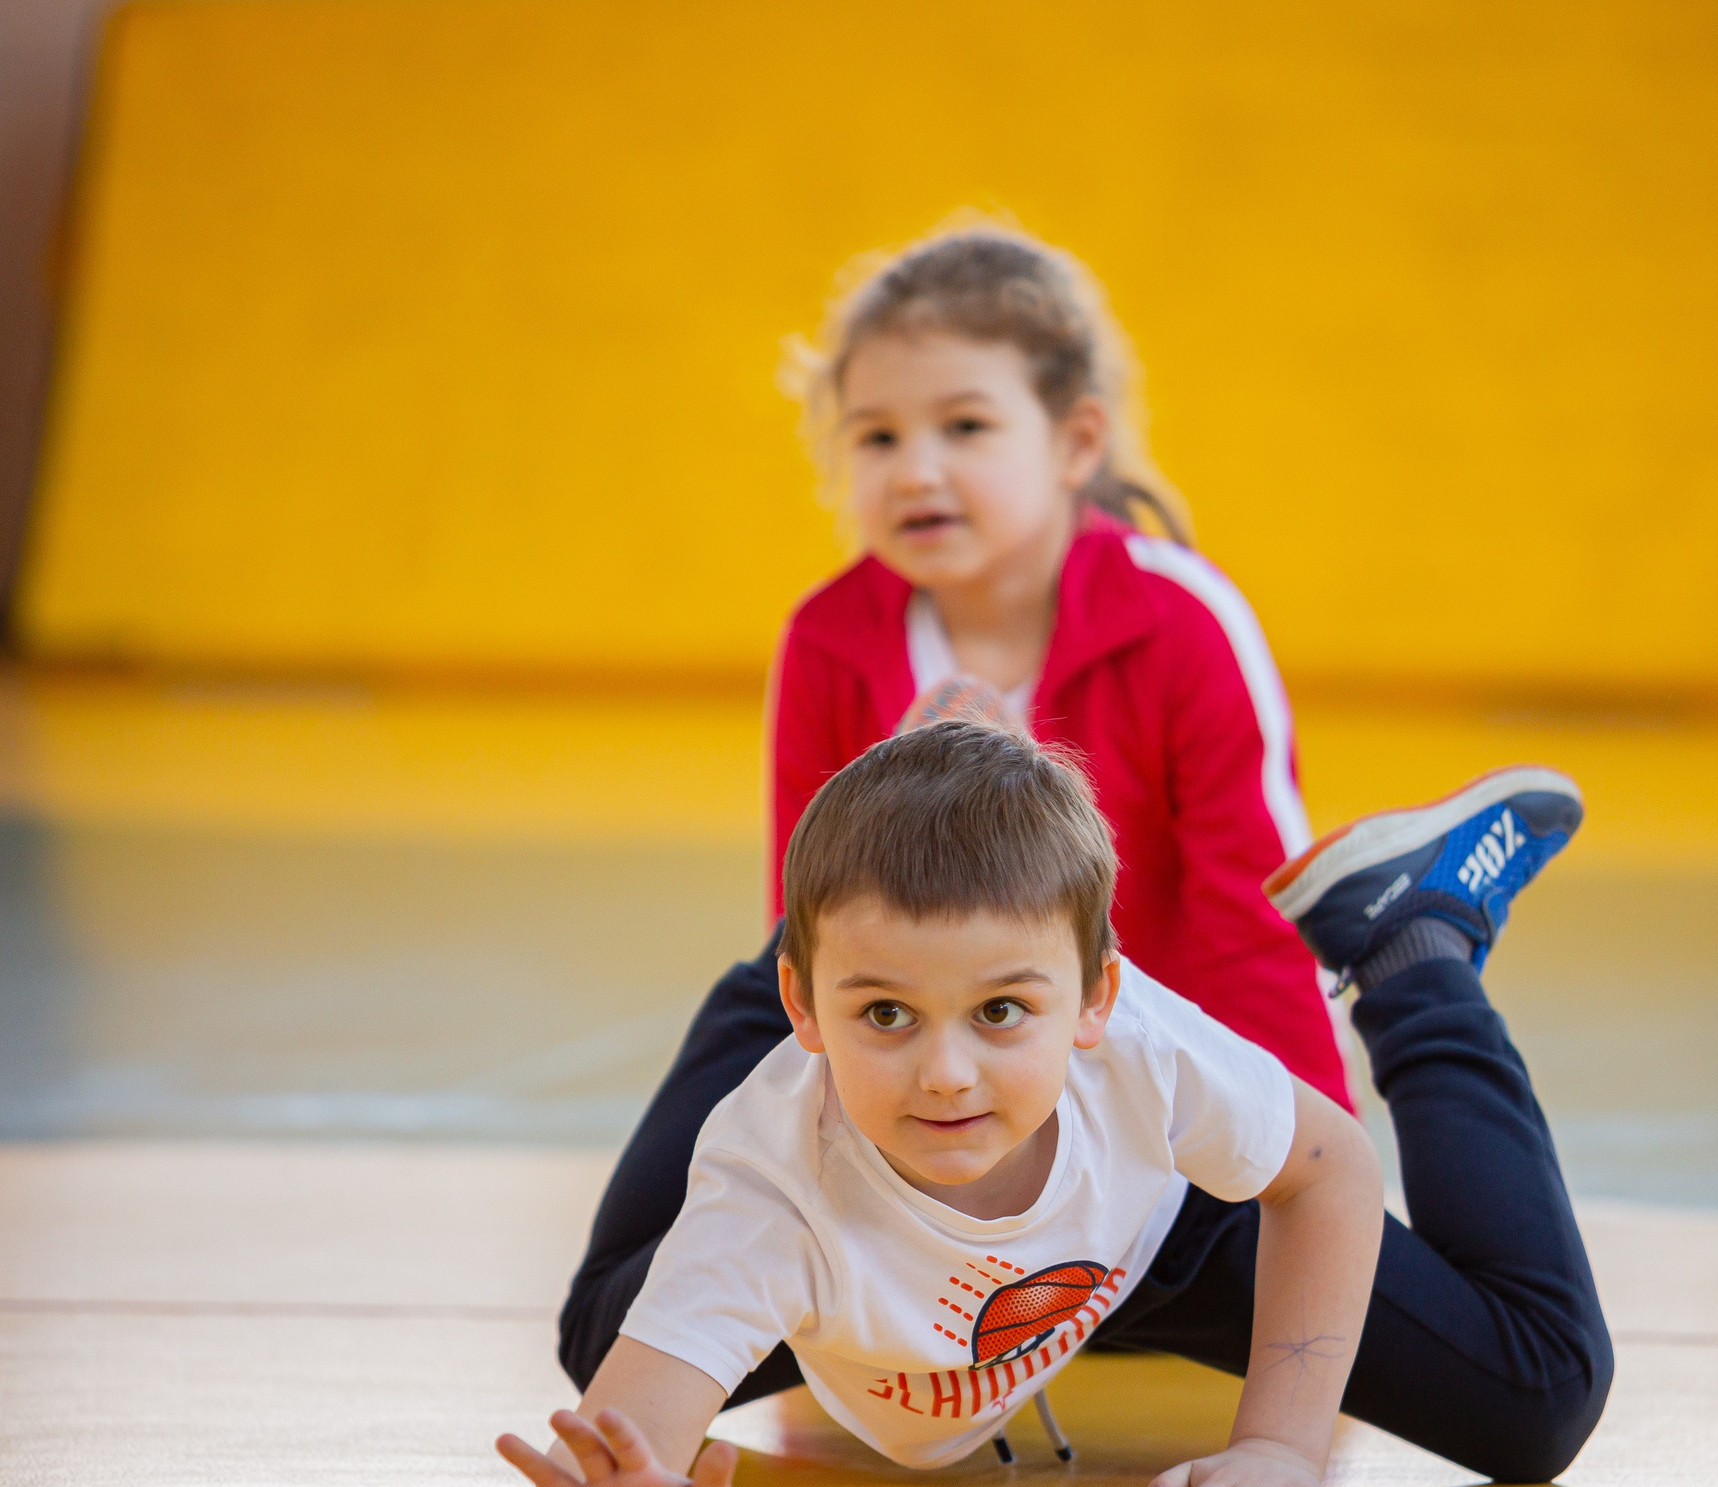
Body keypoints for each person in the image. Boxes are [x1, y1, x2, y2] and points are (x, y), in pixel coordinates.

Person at [482, 721, 1612, 1487]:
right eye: (884, 1015)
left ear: (1095, 998)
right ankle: (840, 915)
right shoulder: (772, 1189)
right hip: (856, 1230)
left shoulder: (1144, 1053)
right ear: (805, 1010)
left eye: (1002, 1013)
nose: (947, 1075)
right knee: (607, 1350)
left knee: (1541, 1400)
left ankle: (1419, 946)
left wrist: (1280, 1445)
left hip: (1146, 1238)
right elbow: (621, 1465)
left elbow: (1330, 1171)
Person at [556, 225, 1349, 1394]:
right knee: (619, 1336)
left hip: (1120, 1090)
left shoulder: (1179, 621)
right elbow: (820, 934)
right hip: (941, 1101)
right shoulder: (831, 638)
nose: (914, 470)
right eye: (875, 437)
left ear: (1076, 440)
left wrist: (1285, 1161)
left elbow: (1251, 917)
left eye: (963, 428)